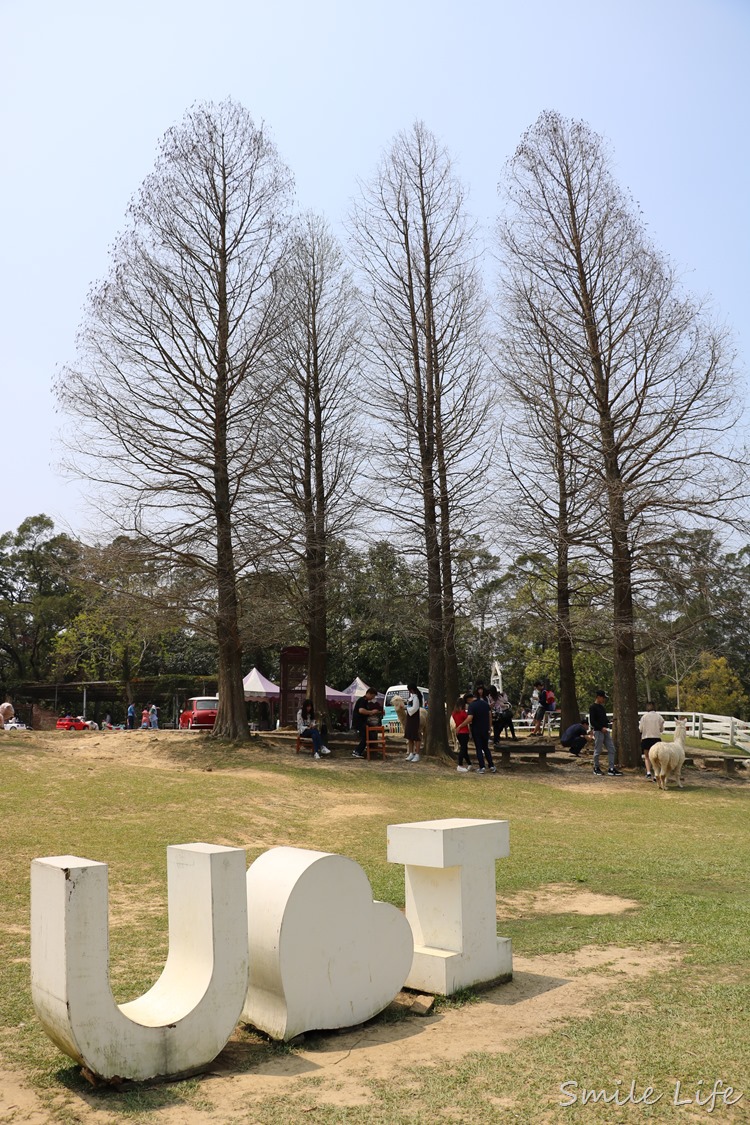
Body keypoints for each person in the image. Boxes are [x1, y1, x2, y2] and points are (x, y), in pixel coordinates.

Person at [589, 690, 621, 776]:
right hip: (598, 731)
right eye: (603, 698)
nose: (604, 700)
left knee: (612, 749)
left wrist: (609, 721)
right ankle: (596, 767)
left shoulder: (602, 708)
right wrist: (600, 728)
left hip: (605, 731)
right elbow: (593, 721)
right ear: (598, 697)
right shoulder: (593, 707)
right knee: (598, 750)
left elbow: (603, 719)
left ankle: (611, 768)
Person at [466, 689, 495, 773]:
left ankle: (482, 767)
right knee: (486, 747)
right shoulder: (485, 704)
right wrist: (489, 727)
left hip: (476, 729)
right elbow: (490, 716)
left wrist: (462, 725)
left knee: (478, 748)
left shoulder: (472, 706)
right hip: (485, 729)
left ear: (469, 699)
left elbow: (470, 718)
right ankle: (491, 765)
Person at [352, 687, 381, 759]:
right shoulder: (362, 700)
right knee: (366, 737)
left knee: (370, 734)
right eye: (373, 696)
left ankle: (365, 748)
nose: (372, 698)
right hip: (359, 722)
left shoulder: (366, 702)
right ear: (369, 694)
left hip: (363, 721)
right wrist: (371, 712)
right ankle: (357, 751)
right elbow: (361, 710)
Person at [639, 701, 664, 780]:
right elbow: (661, 729)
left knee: (647, 757)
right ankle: (656, 773)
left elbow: (640, 729)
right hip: (656, 738)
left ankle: (648, 772)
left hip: (646, 738)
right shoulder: (659, 717)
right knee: (657, 757)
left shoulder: (644, 717)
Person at [451, 695, 473, 771]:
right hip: (464, 732)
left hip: (458, 732)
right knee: (463, 749)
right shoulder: (463, 713)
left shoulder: (454, 713)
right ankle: (460, 764)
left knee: (464, 748)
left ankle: (469, 763)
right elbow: (468, 721)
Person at [405, 683, 423, 762]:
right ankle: (411, 753)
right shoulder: (411, 697)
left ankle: (417, 754)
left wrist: (407, 708)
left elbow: (414, 709)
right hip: (409, 719)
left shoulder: (416, 698)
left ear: (411, 690)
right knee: (410, 736)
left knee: (416, 736)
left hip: (414, 719)